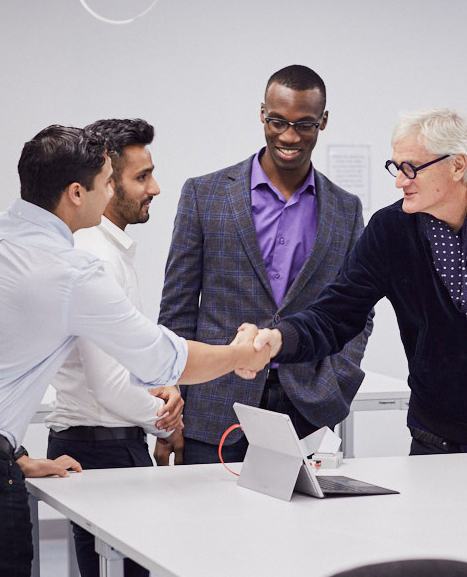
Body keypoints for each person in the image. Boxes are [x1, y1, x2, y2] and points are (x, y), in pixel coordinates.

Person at [0, 125, 269, 577]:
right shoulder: (71, 271)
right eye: (107, 182)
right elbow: (162, 360)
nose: (111, 192)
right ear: (75, 193)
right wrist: (238, 354)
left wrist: (13, 456)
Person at [252, 107, 467, 455]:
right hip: (439, 439)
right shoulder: (390, 231)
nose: (399, 180)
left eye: (410, 168)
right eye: (395, 167)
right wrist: (279, 339)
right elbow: (336, 314)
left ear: (457, 165)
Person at [157, 64, 371, 465]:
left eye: (304, 125)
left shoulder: (345, 208)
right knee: (206, 526)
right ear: (262, 114)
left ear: (323, 122)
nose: (289, 136)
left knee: (301, 527)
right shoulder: (205, 195)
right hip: (213, 406)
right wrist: (172, 409)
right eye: (278, 122)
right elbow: (177, 309)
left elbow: (357, 311)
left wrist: (335, 384)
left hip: (307, 408)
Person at [44, 118, 172, 577]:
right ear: (106, 182)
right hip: (104, 448)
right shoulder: (95, 254)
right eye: (141, 177)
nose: (155, 187)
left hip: (101, 442)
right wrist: (166, 418)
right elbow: (110, 385)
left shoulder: (107, 248)